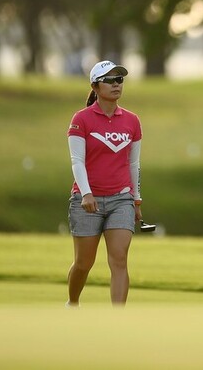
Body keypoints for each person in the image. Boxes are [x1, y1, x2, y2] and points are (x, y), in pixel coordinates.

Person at [66, 60, 142, 306]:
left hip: (121, 199)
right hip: (87, 201)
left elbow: (133, 164)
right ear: (95, 87)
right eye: (109, 80)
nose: (116, 84)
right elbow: (77, 161)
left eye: (119, 79)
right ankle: (73, 303)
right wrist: (86, 193)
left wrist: (136, 199)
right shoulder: (81, 119)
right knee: (83, 263)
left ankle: (117, 319)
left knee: (119, 259)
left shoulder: (132, 120)